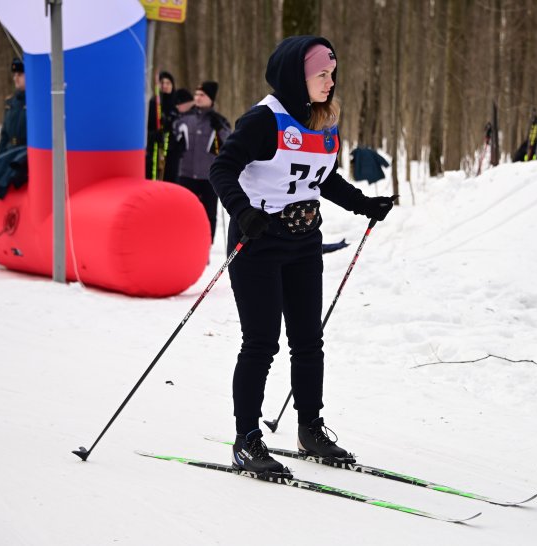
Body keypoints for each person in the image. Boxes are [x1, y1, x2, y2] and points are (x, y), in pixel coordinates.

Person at [210, 36, 394, 476]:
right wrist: (243, 211)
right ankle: (246, 440)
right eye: (321, 75)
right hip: (257, 242)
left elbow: (322, 178)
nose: (330, 82)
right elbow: (220, 168)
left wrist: (364, 204)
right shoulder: (263, 120)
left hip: (304, 242)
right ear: (298, 77)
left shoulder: (320, 121)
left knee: (309, 341)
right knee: (261, 343)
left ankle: (310, 428)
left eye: (332, 74)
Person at [173, 81, 231, 242]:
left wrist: (220, 129)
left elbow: (228, 144)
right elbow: (173, 137)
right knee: (183, 211)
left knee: (209, 213)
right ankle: (182, 242)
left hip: (208, 176)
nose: (197, 98)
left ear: (211, 99)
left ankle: (206, 244)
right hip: (185, 174)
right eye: (196, 94)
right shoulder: (185, 119)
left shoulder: (219, 121)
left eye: (202, 95)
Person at [146, 70, 176, 180]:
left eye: (168, 83)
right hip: (155, 148)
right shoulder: (154, 103)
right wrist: (155, 135)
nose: (165, 86)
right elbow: (148, 127)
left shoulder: (176, 103)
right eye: (162, 83)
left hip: (171, 150)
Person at [162, 87, 194, 184]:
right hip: (176, 162)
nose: (177, 107)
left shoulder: (192, 118)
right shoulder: (179, 117)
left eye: (178, 104)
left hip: (189, 167)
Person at [0, 57, 27, 156]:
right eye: (14, 75)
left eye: (20, 74)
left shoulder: (35, 103)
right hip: (9, 153)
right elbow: (4, 136)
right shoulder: (10, 102)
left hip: (26, 154)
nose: (15, 78)